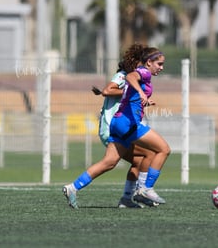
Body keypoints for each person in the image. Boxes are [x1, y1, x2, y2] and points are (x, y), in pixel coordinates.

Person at [63, 47, 170, 209]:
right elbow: (130, 77)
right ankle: (144, 189)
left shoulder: (140, 74)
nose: (161, 67)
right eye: (159, 64)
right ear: (148, 62)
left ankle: (72, 187)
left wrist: (142, 98)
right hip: (126, 123)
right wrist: (141, 93)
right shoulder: (143, 72)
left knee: (109, 162)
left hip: (117, 123)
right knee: (163, 150)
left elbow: (128, 85)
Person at [92, 43, 156, 208]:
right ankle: (139, 193)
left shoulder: (135, 78)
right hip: (112, 127)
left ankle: (127, 199)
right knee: (144, 155)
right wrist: (130, 92)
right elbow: (107, 90)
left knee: (138, 160)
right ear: (136, 61)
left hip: (121, 127)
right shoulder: (123, 75)